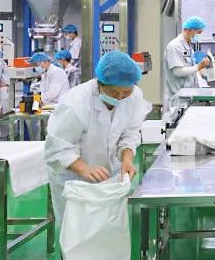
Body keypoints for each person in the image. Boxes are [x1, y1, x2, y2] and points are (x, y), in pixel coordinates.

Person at [43, 50, 151, 221]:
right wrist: (83, 168)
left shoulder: (134, 96)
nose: (120, 98)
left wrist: (127, 159)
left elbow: (130, 133)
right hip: (75, 180)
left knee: (108, 226)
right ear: (100, 84)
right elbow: (56, 149)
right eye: (114, 93)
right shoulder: (76, 103)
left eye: (126, 93)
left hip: (110, 175)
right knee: (77, 229)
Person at [163, 16, 212, 105]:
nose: (199, 36)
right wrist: (198, 66)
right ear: (191, 30)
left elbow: (189, 69)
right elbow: (177, 72)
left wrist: (199, 72)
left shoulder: (188, 47)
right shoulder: (175, 47)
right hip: (179, 99)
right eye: (199, 33)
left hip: (188, 96)